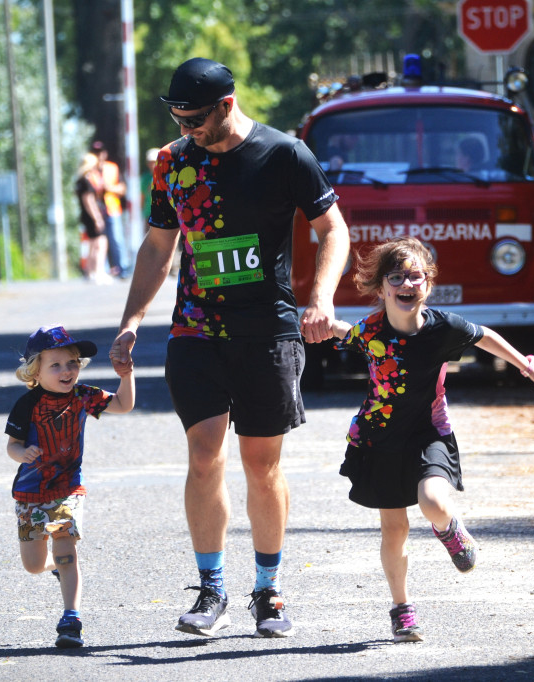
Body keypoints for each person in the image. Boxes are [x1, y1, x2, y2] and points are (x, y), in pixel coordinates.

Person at [108, 57, 350, 639]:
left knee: (261, 465)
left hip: (267, 331)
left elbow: (332, 229)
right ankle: (210, 586)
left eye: (196, 119)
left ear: (226, 104)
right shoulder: (173, 162)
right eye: (179, 119)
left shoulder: (285, 153)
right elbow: (158, 248)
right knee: (202, 454)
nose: (188, 129)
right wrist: (131, 320)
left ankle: (268, 591)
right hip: (196, 330)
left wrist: (321, 298)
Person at [327, 237, 534, 643]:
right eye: (395, 277)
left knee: (433, 501)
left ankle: (449, 529)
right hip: (379, 438)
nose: (406, 284)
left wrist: (528, 367)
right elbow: (342, 332)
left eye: (415, 276)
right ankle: (402, 610)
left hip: (428, 432)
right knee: (394, 527)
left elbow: (484, 336)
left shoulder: (443, 328)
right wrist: (318, 324)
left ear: (428, 285)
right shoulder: (369, 331)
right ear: (381, 288)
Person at [5, 325, 135, 648]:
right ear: (34, 372)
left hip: (67, 488)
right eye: (56, 365)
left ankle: (71, 617)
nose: (67, 371)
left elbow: (123, 404)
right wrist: (24, 453)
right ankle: (55, 568)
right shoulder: (27, 405)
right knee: (33, 565)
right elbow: (12, 446)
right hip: (30, 493)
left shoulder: (83, 397)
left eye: (73, 362)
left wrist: (126, 374)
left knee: (65, 546)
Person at [90, 140, 130, 278]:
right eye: (96, 153)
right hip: (96, 211)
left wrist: (109, 188)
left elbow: (123, 188)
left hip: (112, 209)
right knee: (99, 241)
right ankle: (103, 270)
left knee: (116, 239)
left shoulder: (112, 168)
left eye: (100, 152)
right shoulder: (89, 170)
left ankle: (122, 268)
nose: (98, 155)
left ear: (105, 153)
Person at [75, 150, 110, 283]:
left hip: (85, 216)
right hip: (92, 216)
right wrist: (97, 218)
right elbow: (88, 201)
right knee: (100, 244)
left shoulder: (80, 180)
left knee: (92, 245)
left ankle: (90, 272)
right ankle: (98, 272)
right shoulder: (86, 181)